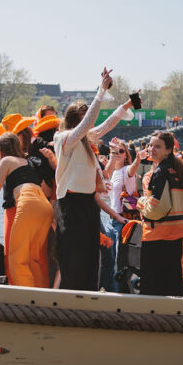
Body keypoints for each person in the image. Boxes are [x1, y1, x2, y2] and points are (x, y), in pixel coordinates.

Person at [53, 68, 136, 291]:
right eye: (84, 118)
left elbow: (105, 124)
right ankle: (70, 298)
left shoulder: (85, 138)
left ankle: (89, 297)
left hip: (88, 203)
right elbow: (88, 123)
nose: (88, 123)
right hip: (70, 205)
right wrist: (100, 92)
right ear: (75, 120)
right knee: (74, 258)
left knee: (92, 256)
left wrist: (126, 106)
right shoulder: (63, 138)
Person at [0, 133, 54, 287]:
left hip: (27, 203)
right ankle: (41, 294)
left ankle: (25, 296)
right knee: (33, 258)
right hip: (45, 207)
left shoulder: (6, 160)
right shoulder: (27, 162)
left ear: (1, 149)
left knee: (16, 258)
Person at [137, 131, 183, 296]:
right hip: (176, 235)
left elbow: (157, 208)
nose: (151, 149)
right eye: (150, 145)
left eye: (157, 146)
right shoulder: (179, 171)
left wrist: (140, 203)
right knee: (172, 283)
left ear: (168, 150)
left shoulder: (160, 172)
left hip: (157, 235)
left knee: (152, 286)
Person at [101, 138, 143, 292]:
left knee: (120, 260)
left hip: (123, 221)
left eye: (121, 151)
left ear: (126, 155)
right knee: (110, 259)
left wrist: (138, 161)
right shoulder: (111, 172)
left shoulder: (127, 171)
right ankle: (111, 290)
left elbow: (133, 169)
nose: (118, 154)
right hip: (110, 220)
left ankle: (120, 293)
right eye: (115, 151)